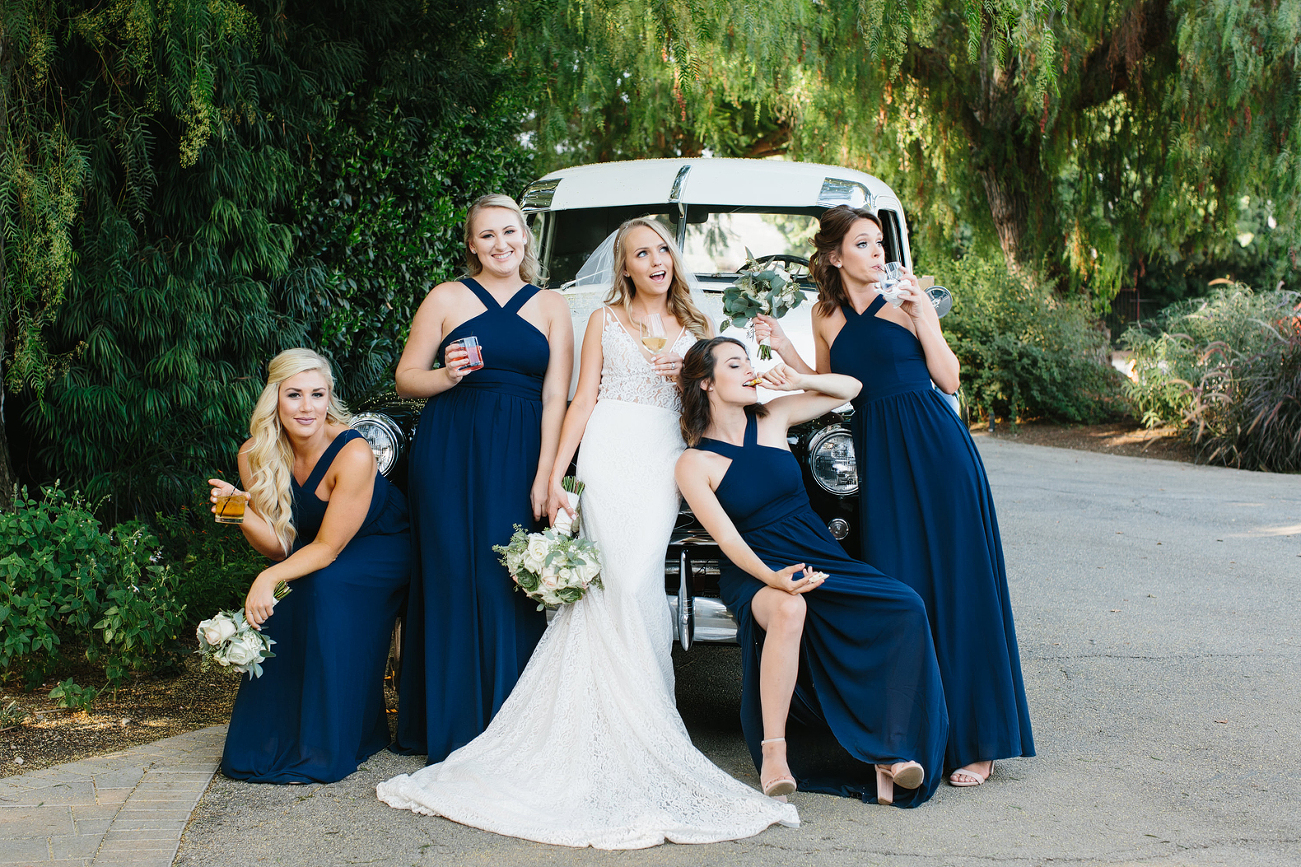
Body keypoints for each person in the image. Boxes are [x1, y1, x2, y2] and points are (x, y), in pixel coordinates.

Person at [377, 218, 798, 847]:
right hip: (606, 453)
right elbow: (578, 401)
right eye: (640, 253)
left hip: (661, 458)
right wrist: (554, 474)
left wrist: (688, 380)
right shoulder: (602, 320)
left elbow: (716, 408)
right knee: (613, 582)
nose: (654, 260)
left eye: (661, 250)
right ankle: (609, 723)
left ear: (672, 261)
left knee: (635, 581)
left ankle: (643, 719)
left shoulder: (702, 331)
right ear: (623, 267)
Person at [755, 204, 1034, 787]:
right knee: (900, 583)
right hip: (877, 454)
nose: (878, 253)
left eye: (879, 242)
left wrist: (925, 317)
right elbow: (834, 390)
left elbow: (950, 379)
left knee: (961, 586)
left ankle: (979, 742)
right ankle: (910, 734)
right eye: (863, 243)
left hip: (936, 447)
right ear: (835, 256)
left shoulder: (910, 301)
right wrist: (785, 351)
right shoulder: (825, 314)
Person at [674, 337, 949, 807]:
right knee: (789, 610)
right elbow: (729, 540)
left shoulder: (774, 416)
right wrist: (774, 577)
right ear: (707, 383)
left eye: (749, 362)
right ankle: (776, 754)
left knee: (905, 606)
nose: (748, 370)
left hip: (816, 552)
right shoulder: (693, 462)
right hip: (756, 567)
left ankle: (891, 751)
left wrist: (796, 377)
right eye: (735, 364)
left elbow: (850, 388)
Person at [391, 195, 573, 763]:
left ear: (526, 238)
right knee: (450, 572)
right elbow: (404, 379)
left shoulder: (552, 306)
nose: (501, 244)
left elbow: (555, 395)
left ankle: (510, 723)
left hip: (522, 450)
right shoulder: (445, 298)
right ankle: (449, 722)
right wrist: (445, 376)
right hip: (451, 446)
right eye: (488, 235)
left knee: (508, 576)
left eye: (510, 233)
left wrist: (548, 472)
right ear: (472, 244)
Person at [208, 348, 410, 784]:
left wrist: (267, 580)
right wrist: (240, 513)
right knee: (293, 592)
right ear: (274, 399)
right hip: (318, 549)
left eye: (317, 395)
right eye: (294, 395)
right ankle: (276, 737)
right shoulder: (254, 454)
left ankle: (338, 739)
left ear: (329, 398)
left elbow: (328, 548)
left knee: (323, 586)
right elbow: (282, 547)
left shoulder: (352, 452)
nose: (307, 407)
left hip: (382, 544)